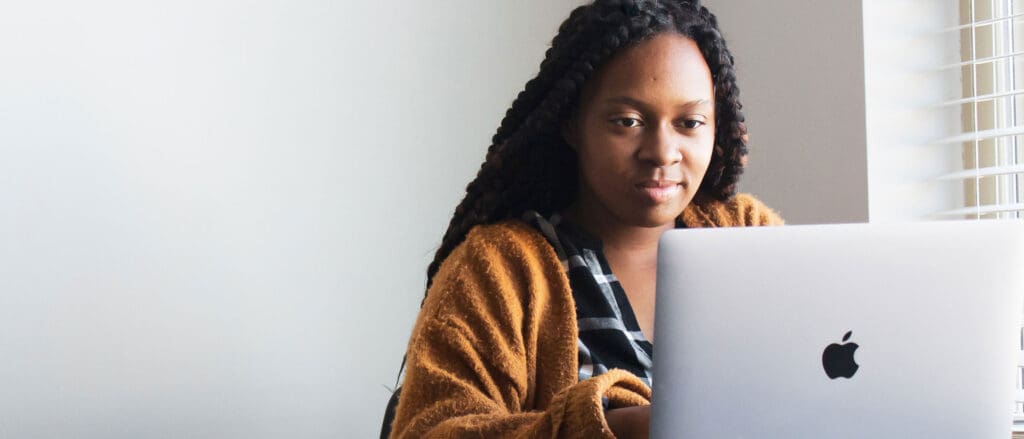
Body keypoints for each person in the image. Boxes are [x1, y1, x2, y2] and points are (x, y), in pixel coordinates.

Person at [383, 0, 783, 437]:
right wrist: (615, 429)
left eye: (689, 122)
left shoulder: (746, 234)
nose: (663, 152)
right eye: (628, 121)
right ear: (572, 123)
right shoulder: (499, 268)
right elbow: (429, 430)